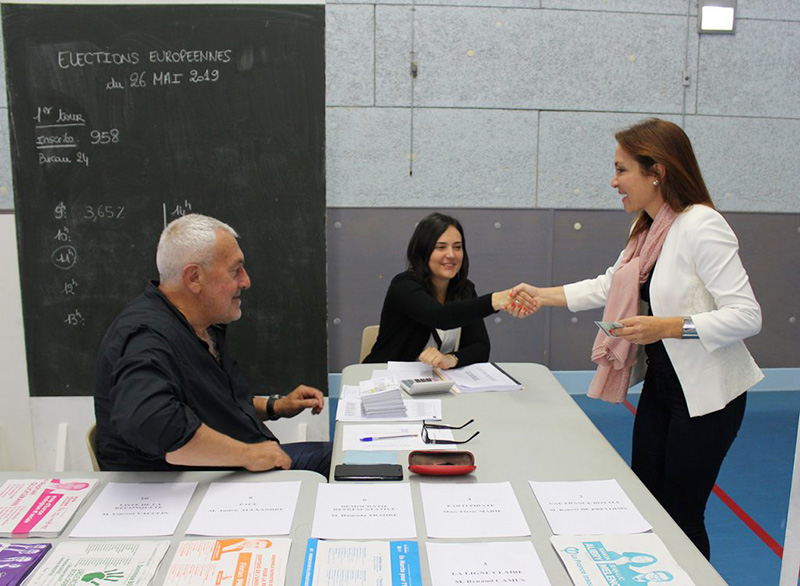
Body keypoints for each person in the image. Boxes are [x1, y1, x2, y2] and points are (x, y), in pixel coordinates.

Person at [510, 119, 762, 559]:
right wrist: (541, 295)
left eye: (621, 169)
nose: (613, 181)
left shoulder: (702, 225)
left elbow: (746, 316)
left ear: (657, 172)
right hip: (663, 389)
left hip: (707, 399)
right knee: (648, 508)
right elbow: (612, 285)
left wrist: (666, 326)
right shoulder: (646, 230)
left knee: (682, 516)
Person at [94, 214, 332, 476]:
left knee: (341, 458)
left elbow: (209, 404)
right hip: (185, 489)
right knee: (340, 464)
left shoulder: (201, 325)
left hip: (225, 469)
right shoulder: (147, 338)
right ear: (194, 277)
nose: (246, 281)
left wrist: (276, 406)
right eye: (235, 270)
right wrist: (249, 454)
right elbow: (147, 420)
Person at [363, 212, 524, 369]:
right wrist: (494, 300)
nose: (451, 254)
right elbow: (440, 316)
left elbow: (480, 347)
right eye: (441, 247)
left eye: (457, 247)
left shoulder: (464, 289)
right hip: (385, 379)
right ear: (423, 251)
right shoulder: (404, 286)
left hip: (435, 384)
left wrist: (451, 359)